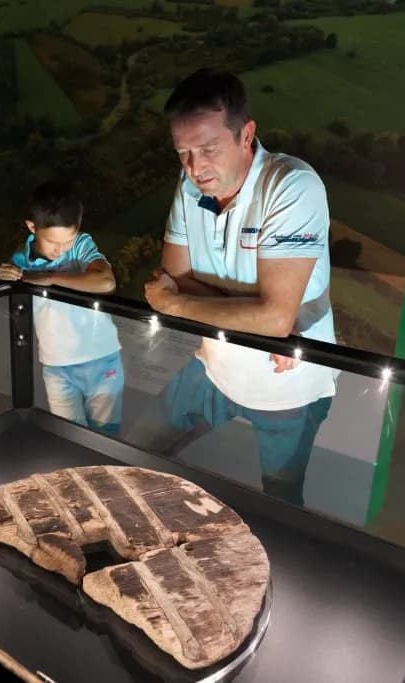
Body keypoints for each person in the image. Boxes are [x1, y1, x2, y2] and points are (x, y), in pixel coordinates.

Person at [139, 68, 339, 506]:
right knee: (137, 448)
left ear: (246, 134)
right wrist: (262, 318)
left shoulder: (291, 186)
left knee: (281, 500)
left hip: (288, 383)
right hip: (213, 364)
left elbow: (273, 316)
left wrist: (184, 301)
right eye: (183, 153)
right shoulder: (189, 186)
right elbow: (173, 280)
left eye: (208, 148)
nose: (194, 168)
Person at [0, 180, 125, 435]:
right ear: (32, 227)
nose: (60, 249)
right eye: (53, 242)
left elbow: (106, 281)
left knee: (106, 438)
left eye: (67, 241)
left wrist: (49, 278)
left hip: (102, 357)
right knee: (69, 437)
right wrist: (1, 279)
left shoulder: (81, 246)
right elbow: (9, 306)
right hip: (56, 365)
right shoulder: (21, 261)